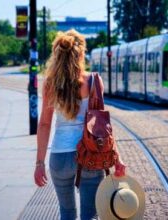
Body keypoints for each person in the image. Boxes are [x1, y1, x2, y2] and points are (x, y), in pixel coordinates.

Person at [34, 29, 126, 220]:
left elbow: (44, 124)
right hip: (89, 156)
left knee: (66, 213)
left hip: (59, 157)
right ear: (81, 53)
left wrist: (39, 163)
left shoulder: (50, 84)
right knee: (89, 215)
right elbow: (103, 126)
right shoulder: (93, 81)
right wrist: (117, 159)